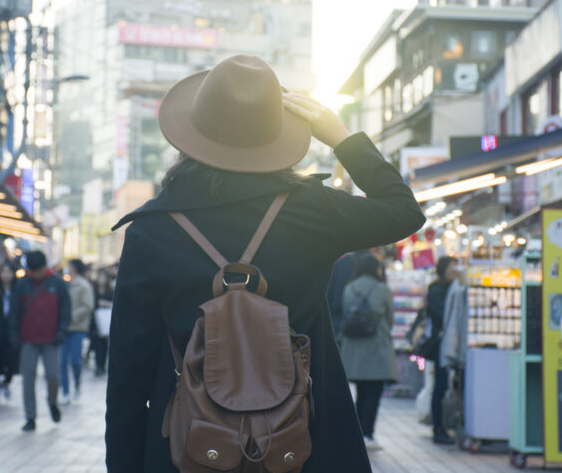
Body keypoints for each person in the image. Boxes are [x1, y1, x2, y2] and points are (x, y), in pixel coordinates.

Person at [104, 56, 426, 472]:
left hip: (188, 448)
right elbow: (403, 211)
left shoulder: (153, 229)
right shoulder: (313, 212)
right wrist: (342, 138)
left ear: (192, 135)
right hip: (302, 444)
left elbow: (128, 375)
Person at [339, 254, 398, 451]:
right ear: (376, 269)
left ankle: (356, 433)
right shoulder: (382, 289)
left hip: (353, 347)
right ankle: (368, 434)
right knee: (373, 392)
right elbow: (389, 319)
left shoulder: (349, 287)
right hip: (376, 347)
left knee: (361, 392)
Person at [10, 251, 70, 432]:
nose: (35, 274)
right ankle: (30, 417)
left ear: (45, 267)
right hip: (28, 340)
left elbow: (65, 311)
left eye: (38, 271)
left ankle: (52, 402)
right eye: (32, 271)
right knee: (28, 379)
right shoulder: (22, 285)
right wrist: (14, 336)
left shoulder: (58, 284)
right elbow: (14, 312)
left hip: (51, 340)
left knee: (53, 376)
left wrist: (61, 332)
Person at [427, 255, 459, 445]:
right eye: (452, 268)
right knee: (440, 386)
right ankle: (438, 427)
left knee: (447, 386)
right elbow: (441, 314)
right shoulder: (437, 289)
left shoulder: (456, 287)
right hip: (441, 343)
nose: (455, 272)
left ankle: (448, 424)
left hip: (453, 343)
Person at [60, 259, 93, 404]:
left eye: (69, 266)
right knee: (61, 362)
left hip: (77, 328)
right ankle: (65, 392)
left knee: (75, 360)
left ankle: (77, 385)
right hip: (63, 328)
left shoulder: (83, 285)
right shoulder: (64, 284)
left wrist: (72, 316)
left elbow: (88, 305)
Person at [0, 263, 18, 400]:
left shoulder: (17, 290)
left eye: (8, 271)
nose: (5, 275)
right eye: (3, 272)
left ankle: (6, 382)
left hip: (13, 331)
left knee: (12, 360)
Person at [88, 267, 114, 376]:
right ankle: (98, 366)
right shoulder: (92, 289)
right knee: (97, 344)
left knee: (104, 345)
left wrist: (105, 304)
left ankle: (102, 366)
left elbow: (114, 304)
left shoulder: (111, 290)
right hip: (95, 321)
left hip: (106, 320)